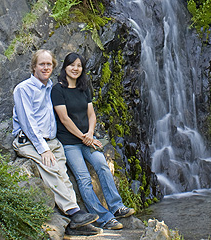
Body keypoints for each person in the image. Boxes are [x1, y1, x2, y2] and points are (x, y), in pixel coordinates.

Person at [12, 49, 103, 236]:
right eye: (42, 64)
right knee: (52, 169)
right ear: (34, 67)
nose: (46, 67)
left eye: (49, 64)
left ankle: (75, 223)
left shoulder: (51, 86)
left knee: (63, 174)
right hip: (30, 141)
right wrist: (43, 149)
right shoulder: (23, 89)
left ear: (53, 67)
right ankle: (74, 212)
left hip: (52, 141)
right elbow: (28, 123)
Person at [51, 52, 135, 230]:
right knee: (83, 178)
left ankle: (117, 206)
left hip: (87, 138)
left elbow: (91, 114)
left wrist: (89, 133)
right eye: (72, 65)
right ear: (65, 67)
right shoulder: (58, 90)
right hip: (69, 142)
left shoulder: (84, 88)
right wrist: (84, 137)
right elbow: (64, 119)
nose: (75, 68)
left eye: (79, 65)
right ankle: (105, 219)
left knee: (102, 166)